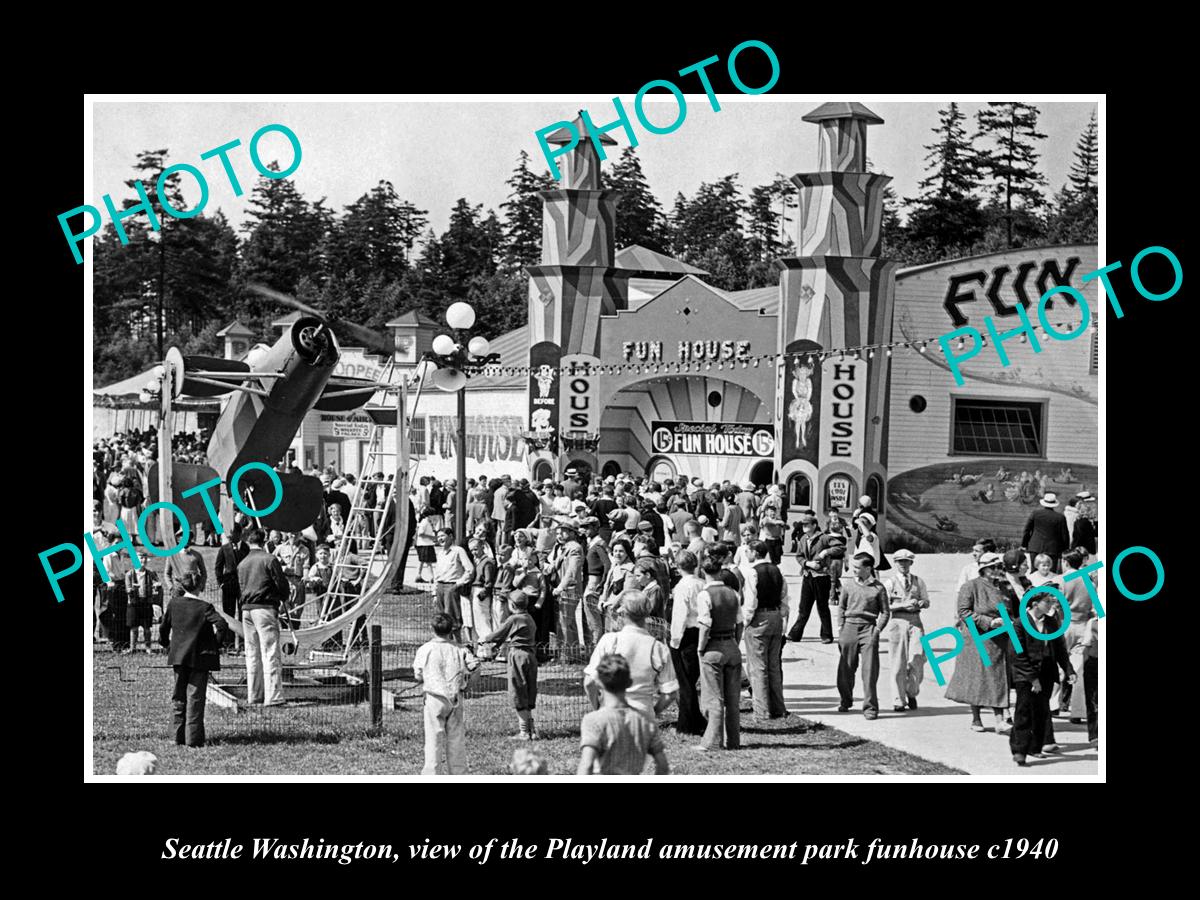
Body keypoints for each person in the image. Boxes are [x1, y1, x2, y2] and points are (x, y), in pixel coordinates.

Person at [158, 566, 229, 748]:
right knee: (195, 698)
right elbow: (222, 625)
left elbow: (163, 628)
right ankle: (194, 739)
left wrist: (167, 644)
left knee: (178, 697)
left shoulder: (174, 603)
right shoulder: (205, 607)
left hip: (179, 657)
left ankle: (176, 737)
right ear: (199, 587)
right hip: (200, 659)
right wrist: (215, 644)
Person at [584, 591, 679, 722]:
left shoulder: (609, 641)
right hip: (643, 718)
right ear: (647, 612)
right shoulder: (658, 648)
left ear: (623, 613)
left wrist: (598, 707)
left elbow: (589, 683)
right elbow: (670, 692)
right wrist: (654, 711)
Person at [944, 552, 1012, 733]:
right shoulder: (970, 586)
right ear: (983, 569)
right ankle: (976, 718)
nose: (996, 571)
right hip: (976, 638)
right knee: (976, 679)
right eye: (992, 567)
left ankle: (1000, 720)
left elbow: (1012, 608)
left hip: (999, 639)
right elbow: (964, 611)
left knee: (997, 678)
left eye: (999, 567)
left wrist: (1009, 621)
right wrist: (988, 622)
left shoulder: (1004, 587)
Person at [1010, 591, 1075, 766]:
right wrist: (1032, 679)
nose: (1051, 605)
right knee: (1023, 711)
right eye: (1047, 601)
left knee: (1041, 711)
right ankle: (1019, 750)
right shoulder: (1019, 623)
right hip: (1025, 673)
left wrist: (1069, 670)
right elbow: (1018, 654)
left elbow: (1060, 648)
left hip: (1046, 670)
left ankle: (1035, 747)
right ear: (1035, 603)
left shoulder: (1051, 622)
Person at [577, 653, 670, 776]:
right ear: (630, 682)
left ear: (598, 682)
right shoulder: (645, 720)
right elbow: (663, 765)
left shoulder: (594, 721)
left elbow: (587, 765)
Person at [414, 613, 480, 775]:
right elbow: (476, 667)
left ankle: (432, 773)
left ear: (432, 629)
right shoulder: (460, 649)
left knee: (433, 739)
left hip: (434, 697)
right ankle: (458, 773)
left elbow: (418, 674)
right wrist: (468, 687)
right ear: (452, 630)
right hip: (455, 697)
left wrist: (425, 678)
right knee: (456, 739)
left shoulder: (425, 649)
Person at [695, 553, 743, 750]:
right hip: (731, 644)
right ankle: (734, 740)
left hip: (713, 646)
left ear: (704, 571)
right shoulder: (733, 593)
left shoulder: (704, 594)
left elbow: (705, 625)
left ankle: (713, 741)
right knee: (733, 699)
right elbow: (740, 623)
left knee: (714, 697)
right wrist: (735, 642)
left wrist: (700, 647)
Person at [237, 527, 289, 707]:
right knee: (270, 652)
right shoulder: (269, 559)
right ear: (264, 540)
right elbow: (282, 585)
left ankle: (254, 696)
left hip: (246, 610)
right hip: (264, 609)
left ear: (248, 541)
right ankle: (273, 697)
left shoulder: (242, 563)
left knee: (252, 654)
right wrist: (283, 596)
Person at [478, 589, 540, 740]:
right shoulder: (529, 618)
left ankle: (524, 732)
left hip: (517, 656)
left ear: (512, 605)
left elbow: (499, 633)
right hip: (530, 656)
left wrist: (485, 639)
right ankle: (532, 730)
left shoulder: (514, 619)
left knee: (518, 691)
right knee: (528, 690)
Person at [836, 551, 891, 719]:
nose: (853, 570)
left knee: (870, 671)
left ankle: (870, 708)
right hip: (849, 628)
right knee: (846, 669)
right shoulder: (848, 585)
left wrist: (877, 630)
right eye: (853, 566)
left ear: (868, 569)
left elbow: (885, 612)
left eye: (857, 567)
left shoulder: (878, 588)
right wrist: (841, 627)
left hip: (869, 629)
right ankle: (846, 700)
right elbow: (842, 607)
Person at [743, 540, 789, 720]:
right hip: (776, 617)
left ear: (755, 552)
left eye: (748, 551)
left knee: (758, 667)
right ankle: (778, 707)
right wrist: (782, 615)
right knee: (774, 666)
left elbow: (750, 602)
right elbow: (784, 597)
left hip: (759, 617)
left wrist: (746, 622)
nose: (747, 554)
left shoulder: (752, 572)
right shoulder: (777, 570)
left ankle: (761, 710)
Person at [884, 549, 930, 712]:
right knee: (898, 661)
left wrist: (920, 603)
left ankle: (911, 692)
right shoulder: (889, 583)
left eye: (906, 561)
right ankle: (898, 699)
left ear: (911, 563)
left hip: (915, 621)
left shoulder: (919, 581)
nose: (903, 564)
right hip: (897, 621)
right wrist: (902, 605)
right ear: (895, 563)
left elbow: (926, 601)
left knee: (918, 658)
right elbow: (884, 605)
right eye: (900, 561)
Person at [788, 514, 843, 644]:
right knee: (803, 608)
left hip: (821, 577)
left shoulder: (823, 538)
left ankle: (827, 635)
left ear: (814, 525)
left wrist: (826, 552)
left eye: (807, 524)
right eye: (803, 525)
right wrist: (807, 564)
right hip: (808, 576)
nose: (805, 527)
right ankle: (795, 634)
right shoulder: (802, 539)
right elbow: (799, 556)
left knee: (822, 607)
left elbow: (840, 547)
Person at [668, 550, 705, 736]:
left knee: (685, 682)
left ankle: (687, 723)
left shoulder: (683, 586)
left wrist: (675, 640)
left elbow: (680, 615)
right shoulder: (702, 583)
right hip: (701, 632)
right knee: (690, 680)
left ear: (677, 566)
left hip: (686, 634)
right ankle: (695, 718)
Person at [550, 520, 585, 659]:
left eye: (563, 532)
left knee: (565, 622)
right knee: (565, 621)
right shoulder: (563, 547)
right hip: (563, 589)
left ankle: (567, 655)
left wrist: (560, 587)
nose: (559, 535)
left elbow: (572, 571)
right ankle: (570, 653)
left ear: (572, 533)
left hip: (569, 589)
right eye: (558, 533)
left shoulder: (574, 548)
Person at [432, 528, 473, 641]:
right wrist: (434, 593)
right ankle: (446, 642)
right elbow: (437, 573)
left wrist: (457, 584)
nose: (440, 539)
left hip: (451, 586)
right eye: (438, 536)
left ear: (450, 536)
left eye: (443, 536)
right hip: (440, 587)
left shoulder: (458, 551)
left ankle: (458, 644)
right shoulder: (440, 553)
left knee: (452, 619)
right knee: (441, 619)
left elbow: (469, 569)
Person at [214, 526, 249, 651]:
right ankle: (228, 644)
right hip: (228, 586)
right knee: (228, 614)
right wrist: (221, 583)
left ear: (239, 534)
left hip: (243, 586)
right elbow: (218, 567)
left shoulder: (246, 548)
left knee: (243, 613)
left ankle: (243, 643)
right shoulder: (224, 549)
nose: (230, 536)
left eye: (232, 533)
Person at [1021, 493, 1071, 572]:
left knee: (1035, 571)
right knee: (1051, 572)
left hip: (1035, 546)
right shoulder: (1060, 517)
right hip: (1053, 548)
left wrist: (1024, 544)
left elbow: (1027, 530)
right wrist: (1065, 549)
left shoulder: (1035, 514)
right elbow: (1065, 535)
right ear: (1054, 504)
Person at [581, 516, 609, 647]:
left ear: (595, 528)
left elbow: (607, 564)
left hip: (594, 580)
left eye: (588, 527)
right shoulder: (591, 543)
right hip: (589, 579)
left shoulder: (598, 544)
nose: (585, 530)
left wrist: (602, 583)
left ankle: (596, 647)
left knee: (594, 619)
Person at [124, 562, 160, 654]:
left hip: (146, 602)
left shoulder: (150, 573)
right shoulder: (129, 574)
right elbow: (127, 589)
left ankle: (148, 648)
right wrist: (132, 589)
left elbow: (158, 582)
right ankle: (132, 648)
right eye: (140, 558)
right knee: (133, 628)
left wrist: (156, 585)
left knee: (147, 628)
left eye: (144, 558)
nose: (142, 561)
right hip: (133, 603)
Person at [600, 538, 635, 632]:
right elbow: (606, 585)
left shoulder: (630, 569)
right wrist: (602, 599)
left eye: (621, 551)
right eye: (615, 551)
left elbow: (627, 591)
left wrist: (613, 604)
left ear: (627, 552)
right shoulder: (614, 566)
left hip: (620, 608)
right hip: (609, 606)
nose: (617, 554)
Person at [467, 538, 497, 644]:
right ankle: (480, 645)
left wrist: (483, 594)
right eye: (471, 550)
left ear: (482, 547)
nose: (474, 552)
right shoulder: (476, 561)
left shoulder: (487, 562)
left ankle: (488, 644)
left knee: (483, 618)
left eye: (476, 549)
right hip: (474, 589)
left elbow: (489, 581)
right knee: (477, 619)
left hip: (481, 591)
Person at [758, 485, 787, 564]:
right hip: (778, 518)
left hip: (769, 518)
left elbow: (762, 508)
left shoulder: (768, 498)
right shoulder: (779, 499)